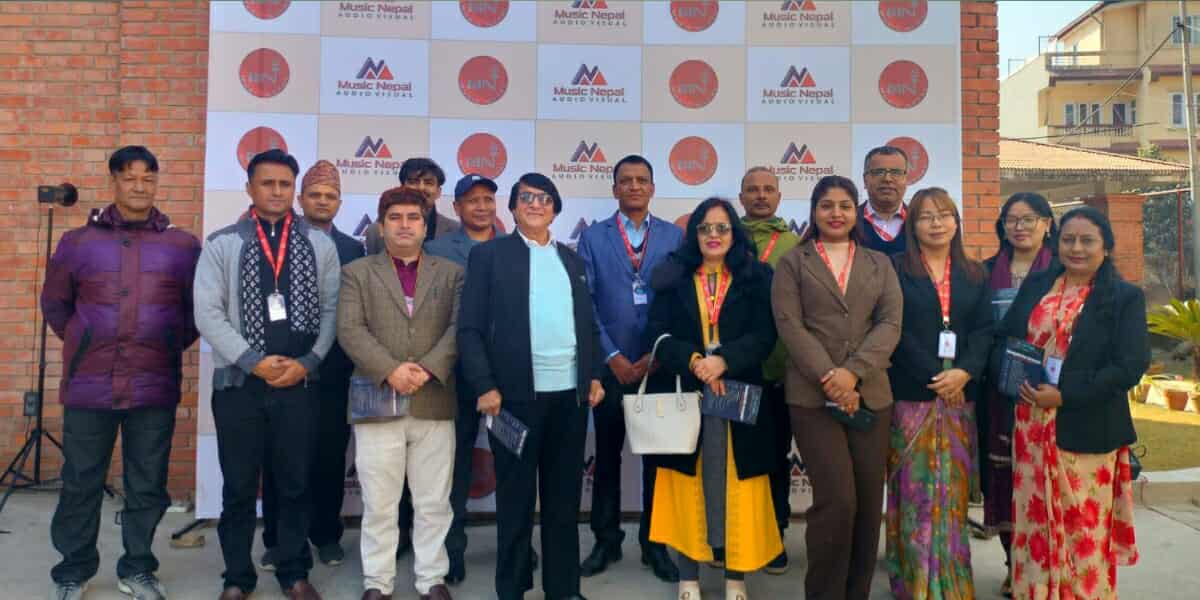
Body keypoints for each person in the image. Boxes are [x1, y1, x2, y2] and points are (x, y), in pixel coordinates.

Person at [42, 146, 201, 600]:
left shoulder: (182, 246)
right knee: (81, 481)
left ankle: (138, 568)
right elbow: (56, 305)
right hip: (89, 384)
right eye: (130, 178)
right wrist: (86, 340)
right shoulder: (78, 243)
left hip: (153, 382)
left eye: (148, 178)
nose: (139, 186)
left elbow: (193, 314)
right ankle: (73, 570)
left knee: (147, 484)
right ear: (113, 181)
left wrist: (162, 342)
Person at [194, 149, 340, 600]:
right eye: (267, 183)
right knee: (239, 487)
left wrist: (308, 362)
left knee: (295, 483)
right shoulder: (223, 243)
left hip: (299, 385)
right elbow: (207, 313)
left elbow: (332, 310)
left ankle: (294, 572)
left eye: (284, 184)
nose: (277, 191)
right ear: (250, 188)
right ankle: (237, 578)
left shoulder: (319, 245)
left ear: (293, 189)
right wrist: (251, 360)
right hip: (239, 386)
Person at [458, 172, 605, 600]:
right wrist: (484, 385)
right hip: (512, 400)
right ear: (513, 208)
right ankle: (512, 588)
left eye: (544, 198)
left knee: (563, 502)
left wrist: (594, 374)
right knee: (515, 502)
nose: (536, 204)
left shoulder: (571, 260)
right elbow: (469, 329)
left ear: (555, 209)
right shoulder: (489, 256)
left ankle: (564, 589)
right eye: (527, 198)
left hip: (569, 400)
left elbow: (587, 326)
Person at [998, 207, 1145, 600]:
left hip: (1086, 431)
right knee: (1034, 527)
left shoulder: (1124, 297)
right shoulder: (1039, 284)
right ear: (1057, 243)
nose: (1076, 248)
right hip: (1031, 426)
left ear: (1106, 247)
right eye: (1068, 240)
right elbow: (1008, 335)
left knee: (1082, 531)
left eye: (1087, 240)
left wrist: (1065, 395)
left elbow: (1129, 366)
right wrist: (1014, 374)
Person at [771, 175, 902, 600]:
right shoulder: (794, 262)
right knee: (838, 500)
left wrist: (854, 373)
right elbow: (790, 325)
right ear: (813, 211)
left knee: (867, 502)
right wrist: (832, 377)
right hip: (813, 397)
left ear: (855, 212)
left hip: (871, 394)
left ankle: (855, 592)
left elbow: (890, 323)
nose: (836, 213)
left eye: (845, 205)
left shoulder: (879, 264)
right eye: (826, 205)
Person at [645, 198, 780, 600]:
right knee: (686, 488)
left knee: (740, 489)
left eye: (722, 227)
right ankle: (688, 578)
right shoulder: (673, 277)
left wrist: (725, 361)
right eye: (705, 228)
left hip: (738, 390)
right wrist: (693, 360)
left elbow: (765, 335)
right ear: (694, 234)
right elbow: (657, 334)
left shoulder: (757, 276)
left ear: (734, 233)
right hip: (687, 390)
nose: (714, 235)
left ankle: (736, 580)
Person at [337, 187, 463, 600]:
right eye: (395, 217)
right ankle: (378, 582)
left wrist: (426, 369)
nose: (405, 225)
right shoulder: (357, 272)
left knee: (433, 501)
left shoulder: (451, 273)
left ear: (426, 226)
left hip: (433, 398)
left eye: (413, 217)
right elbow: (349, 329)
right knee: (379, 502)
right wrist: (390, 370)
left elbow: (459, 329)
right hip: (377, 400)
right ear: (381, 225)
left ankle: (431, 579)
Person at [425, 172, 539, 585]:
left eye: (488, 199)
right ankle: (451, 551)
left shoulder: (520, 246)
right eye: (472, 200)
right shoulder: (436, 249)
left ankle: (517, 548)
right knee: (453, 468)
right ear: (456, 207)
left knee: (514, 467)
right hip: (455, 374)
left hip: (508, 378)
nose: (481, 206)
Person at [576, 155, 683, 583]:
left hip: (657, 364)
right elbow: (586, 302)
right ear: (615, 188)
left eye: (642, 180)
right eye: (626, 180)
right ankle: (606, 540)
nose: (634, 186)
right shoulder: (592, 237)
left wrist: (657, 354)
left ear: (653, 188)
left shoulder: (675, 236)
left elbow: (680, 302)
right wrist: (612, 357)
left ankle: (655, 544)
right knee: (606, 457)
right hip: (612, 368)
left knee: (658, 459)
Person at [884, 187, 994, 600]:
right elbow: (893, 329)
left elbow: (985, 330)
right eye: (926, 216)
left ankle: (951, 582)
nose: (936, 223)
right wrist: (937, 376)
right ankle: (914, 583)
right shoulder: (895, 269)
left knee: (953, 496)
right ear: (912, 225)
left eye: (944, 215)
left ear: (956, 222)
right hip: (912, 394)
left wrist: (963, 372)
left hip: (961, 398)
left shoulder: (975, 273)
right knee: (914, 495)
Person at [260, 160, 365, 571]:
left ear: (339, 202)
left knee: (329, 455)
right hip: (284, 368)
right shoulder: (276, 240)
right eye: (315, 195)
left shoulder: (353, 249)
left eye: (330, 196)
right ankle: (276, 539)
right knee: (280, 458)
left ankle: (326, 535)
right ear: (300, 199)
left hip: (334, 371)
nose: (323, 201)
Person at [977, 192, 1058, 596]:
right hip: (998, 391)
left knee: (1043, 482)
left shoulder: (1064, 270)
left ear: (1047, 224)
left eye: (1029, 219)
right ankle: (1014, 565)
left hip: (1047, 392)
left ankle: (1045, 568)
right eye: (1012, 219)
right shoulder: (985, 272)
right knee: (1005, 480)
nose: (1020, 226)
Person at [738, 166, 802, 575]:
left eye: (768, 189)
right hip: (736, 373)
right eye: (752, 190)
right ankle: (736, 536)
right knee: (738, 460)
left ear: (779, 197)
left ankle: (775, 536)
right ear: (741, 197)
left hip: (781, 371)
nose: (760, 196)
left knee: (777, 459)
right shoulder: (725, 239)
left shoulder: (795, 245)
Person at [365, 157, 462, 255]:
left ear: (438, 192)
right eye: (414, 182)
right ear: (402, 188)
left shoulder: (456, 230)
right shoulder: (375, 232)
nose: (421, 188)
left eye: (428, 183)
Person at [858, 146, 910, 255]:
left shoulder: (918, 221)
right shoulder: (849, 222)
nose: (887, 179)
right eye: (879, 172)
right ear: (865, 179)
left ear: (906, 179)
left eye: (896, 172)